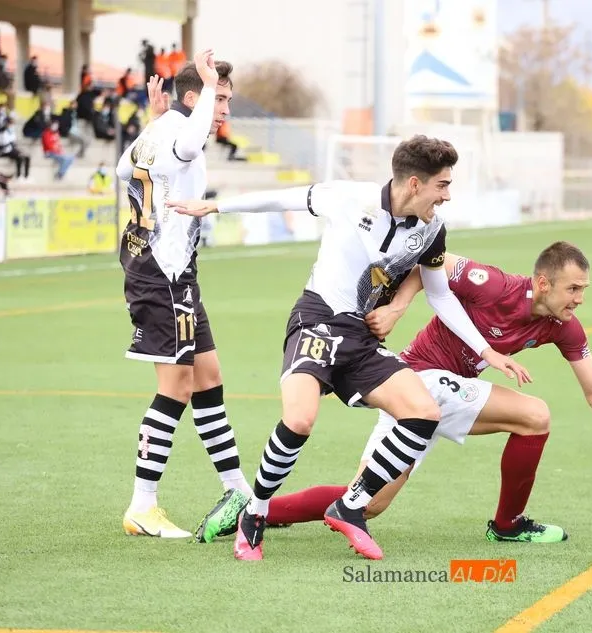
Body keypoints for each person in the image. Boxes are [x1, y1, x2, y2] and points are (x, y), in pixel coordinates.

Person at [166, 135, 531, 561]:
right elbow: (285, 198)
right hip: (317, 321)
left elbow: (440, 294)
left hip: (361, 338)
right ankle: (256, 513)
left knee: (423, 413)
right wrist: (214, 206)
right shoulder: (349, 197)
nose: (447, 196)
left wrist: (486, 352)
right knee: (299, 421)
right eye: (442, 185)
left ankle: (351, 506)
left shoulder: (432, 231)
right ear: (415, 183)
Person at [218, 242, 592, 542]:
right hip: (418, 378)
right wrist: (397, 306)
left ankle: (257, 511)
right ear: (543, 283)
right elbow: (432, 260)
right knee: (535, 415)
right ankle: (507, 526)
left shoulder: (563, 325)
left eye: (584, 290)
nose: (580, 298)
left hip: (439, 393)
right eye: (574, 289)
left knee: (369, 503)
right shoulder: (495, 285)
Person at [114, 50, 252, 539]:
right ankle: (142, 505)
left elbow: (127, 172)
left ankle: (240, 494)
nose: (224, 112)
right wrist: (191, 108)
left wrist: (161, 121)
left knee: (209, 375)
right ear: (193, 98)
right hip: (161, 275)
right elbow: (189, 141)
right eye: (220, 100)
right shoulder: (181, 133)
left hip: (174, 275)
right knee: (174, 388)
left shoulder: (156, 131)